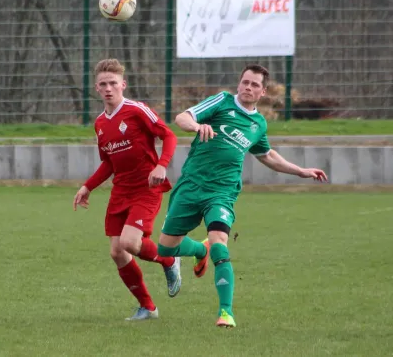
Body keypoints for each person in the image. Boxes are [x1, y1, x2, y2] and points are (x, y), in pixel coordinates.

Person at [155, 64, 328, 328]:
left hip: (222, 191)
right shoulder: (222, 102)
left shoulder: (258, 124)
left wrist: (301, 171)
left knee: (220, 242)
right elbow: (182, 117)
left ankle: (226, 312)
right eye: (245, 82)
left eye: (254, 84)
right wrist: (196, 126)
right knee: (165, 248)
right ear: (239, 84)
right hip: (191, 185)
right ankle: (200, 249)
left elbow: (267, 155)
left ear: (263, 92)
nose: (248, 87)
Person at [73, 58, 181, 321]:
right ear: (97, 88)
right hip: (121, 190)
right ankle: (148, 307)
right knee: (116, 252)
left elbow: (169, 135)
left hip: (147, 187)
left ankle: (169, 260)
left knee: (130, 243)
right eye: (103, 84)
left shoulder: (137, 110)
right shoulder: (100, 123)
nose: (108, 88)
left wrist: (162, 165)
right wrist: (88, 186)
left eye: (113, 83)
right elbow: (108, 162)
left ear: (123, 84)